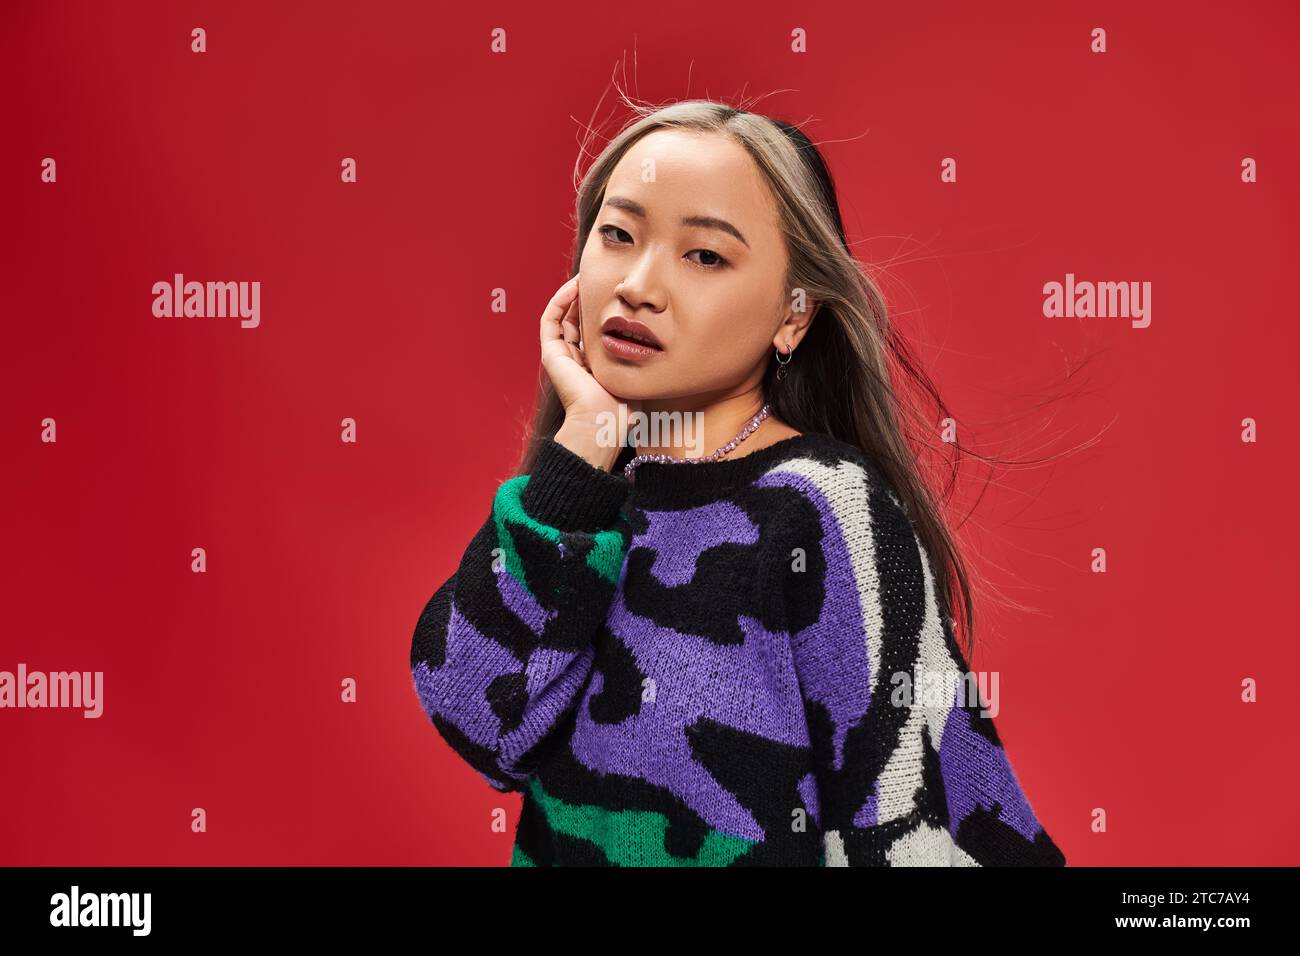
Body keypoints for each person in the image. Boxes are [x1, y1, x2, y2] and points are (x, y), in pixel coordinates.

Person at [409, 99, 1067, 866]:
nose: (639, 286)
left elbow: (903, 821)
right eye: (618, 236)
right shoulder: (582, 502)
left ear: (794, 317)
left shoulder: (822, 508)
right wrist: (581, 451)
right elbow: (484, 727)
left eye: (705, 256)